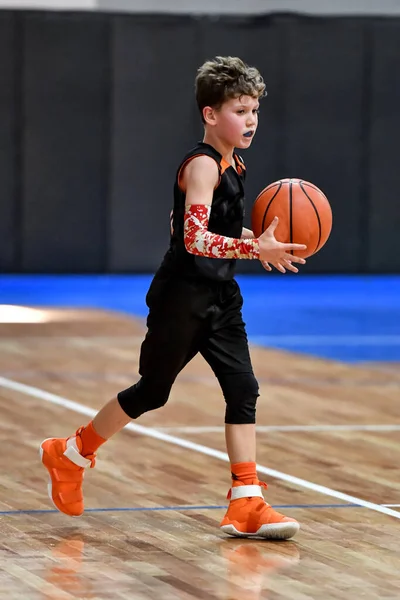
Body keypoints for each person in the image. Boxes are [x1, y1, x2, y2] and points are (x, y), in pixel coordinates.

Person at [40, 56, 306, 539]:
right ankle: (71, 453)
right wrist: (252, 247)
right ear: (210, 114)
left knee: (243, 388)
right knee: (152, 392)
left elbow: (192, 223)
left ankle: (247, 500)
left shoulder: (234, 163)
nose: (250, 120)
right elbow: (193, 239)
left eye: (255, 111)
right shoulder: (203, 164)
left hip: (220, 294)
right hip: (181, 297)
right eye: (240, 110)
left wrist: (256, 241)